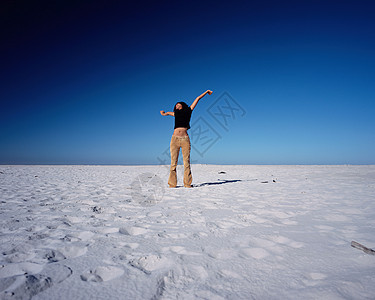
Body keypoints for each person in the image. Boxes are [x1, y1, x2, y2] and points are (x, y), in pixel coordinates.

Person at [160, 90, 213, 188]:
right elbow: (168, 113)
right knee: (173, 163)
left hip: (185, 139)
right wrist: (164, 113)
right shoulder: (175, 114)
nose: (177, 106)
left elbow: (197, 99)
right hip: (174, 139)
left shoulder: (189, 110)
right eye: (175, 105)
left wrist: (206, 92)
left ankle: (187, 183)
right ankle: (172, 184)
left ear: (182, 106)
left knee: (186, 162)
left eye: (178, 105)